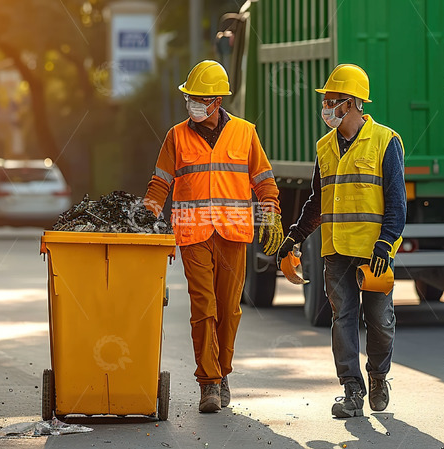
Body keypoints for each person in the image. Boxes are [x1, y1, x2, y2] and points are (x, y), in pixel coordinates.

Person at [143, 60, 283, 413]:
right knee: (203, 308)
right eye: (189, 96)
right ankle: (209, 384)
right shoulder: (176, 136)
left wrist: (270, 209)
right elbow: (161, 182)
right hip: (193, 235)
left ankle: (222, 374)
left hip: (233, 234)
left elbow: (263, 179)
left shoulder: (245, 133)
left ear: (217, 102)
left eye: (199, 98)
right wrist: (147, 214)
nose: (192, 103)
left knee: (229, 311)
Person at [276, 64, 406, 418]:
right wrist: (294, 236)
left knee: (380, 321)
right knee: (342, 319)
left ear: (352, 104)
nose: (327, 107)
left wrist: (385, 244)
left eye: (332, 101)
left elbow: (396, 202)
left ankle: (378, 376)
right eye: (327, 101)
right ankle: (351, 390)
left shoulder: (385, 142)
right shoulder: (324, 148)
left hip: (373, 254)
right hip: (335, 252)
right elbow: (317, 201)